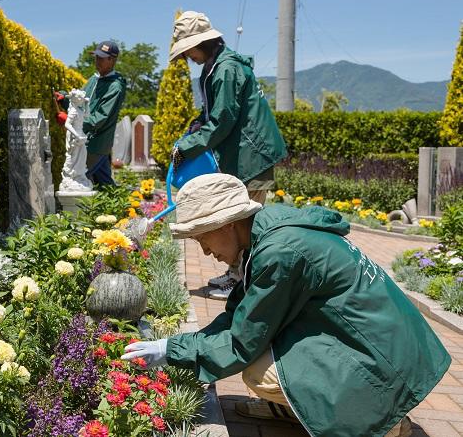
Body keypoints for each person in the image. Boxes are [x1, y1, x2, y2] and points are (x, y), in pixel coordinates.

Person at [122, 173, 451, 437]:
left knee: (257, 371)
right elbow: (242, 313)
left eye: (201, 237)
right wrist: (175, 345)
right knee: (270, 351)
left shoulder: (280, 252)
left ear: (227, 224)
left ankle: (382, 420)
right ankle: (305, 408)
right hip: (390, 344)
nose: (205, 251)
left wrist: (171, 350)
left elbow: (242, 341)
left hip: (384, 358)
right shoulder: (268, 230)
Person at [169, 11, 288, 300]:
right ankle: (236, 273)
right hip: (244, 153)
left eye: (189, 51)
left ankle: (241, 281)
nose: (189, 57)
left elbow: (223, 119)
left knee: (244, 220)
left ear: (203, 44)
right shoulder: (217, 65)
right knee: (236, 214)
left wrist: (186, 146)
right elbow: (214, 112)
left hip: (253, 155)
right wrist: (198, 123)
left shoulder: (226, 69)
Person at [81, 40, 127, 186]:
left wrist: (74, 122)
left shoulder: (115, 86)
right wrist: (64, 99)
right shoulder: (93, 80)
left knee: (79, 178)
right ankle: (127, 209)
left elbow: (100, 118)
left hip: (96, 144)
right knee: (106, 185)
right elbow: (79, 102)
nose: (97, 61)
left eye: (101, 58)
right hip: (89, 141)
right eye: (96, 57)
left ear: (112, 60)